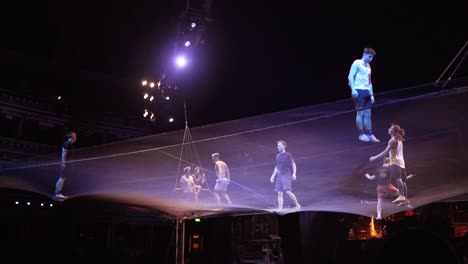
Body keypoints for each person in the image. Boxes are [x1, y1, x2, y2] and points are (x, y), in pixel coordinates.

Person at [370, 124, 407, 204]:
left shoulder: (392, 140)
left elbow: (385, 152)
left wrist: (375, 158)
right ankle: (404, 198)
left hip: (395, 162)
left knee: (398, 178)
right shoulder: (399, 139)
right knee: (401, 180)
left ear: (393, 131)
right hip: (401, 162)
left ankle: (402, 196)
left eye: (390, 128)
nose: (389, 129)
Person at [348, 47, 380, 143]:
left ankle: (369, 134)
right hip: (359, 90)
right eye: (370, 57)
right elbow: (350, 77)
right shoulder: (357, 62)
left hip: (366, 91)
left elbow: (369, 82)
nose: (371, 59)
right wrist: (353, 90)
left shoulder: (368, 66)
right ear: (365, 54)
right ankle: (361, 134)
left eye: (372, 57)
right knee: (360, 113)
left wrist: (372, 95)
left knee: (368, 114)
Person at [270, 140, 301, 212]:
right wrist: (273, 176)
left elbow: (293, 164)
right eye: (277, 146)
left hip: (286, 174)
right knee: (279, 193)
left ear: (284, 146)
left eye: (279, 146)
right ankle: (280, 209)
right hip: (279, 176)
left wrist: (294, 174)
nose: (277, 147)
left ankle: (297, 204)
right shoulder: (277, 156)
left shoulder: (288, 154)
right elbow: (277, 167)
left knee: (287, 191)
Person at [54, 131, 77, 200]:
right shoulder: (68, 143)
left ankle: (56, 193)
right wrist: (63, 162)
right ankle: (58, 193)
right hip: (65, 164)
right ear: (72, 137)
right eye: (75, 136)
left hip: (66, 164)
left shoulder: (69, 144)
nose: (76, 137)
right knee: (62, 178)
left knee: (62, 178)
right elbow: (64, 152)